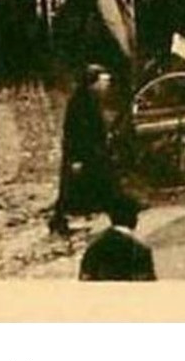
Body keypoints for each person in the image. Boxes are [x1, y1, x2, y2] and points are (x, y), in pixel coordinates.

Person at [48, 64, 131, 236]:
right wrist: (76, 159)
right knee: (76, 190)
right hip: (83, 154)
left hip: (93, 153)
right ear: (92, 83)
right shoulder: (79, 104)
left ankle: (118, 215)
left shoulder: (90, 100)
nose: (106, 86)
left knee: (98, 186)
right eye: (103, 82)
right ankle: (58, 220)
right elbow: (73, 134)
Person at [78, 197, 155, 282]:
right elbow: (147, 288)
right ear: (133, 219)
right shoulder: (140, 251)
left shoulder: (94, 248)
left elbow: (84, 281)